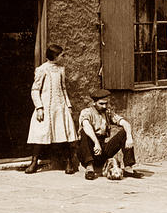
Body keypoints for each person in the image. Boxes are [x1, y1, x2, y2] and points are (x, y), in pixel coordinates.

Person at [25, 43, 79, 174]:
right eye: (61, 55)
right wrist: (39, 108)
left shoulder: (61, 69)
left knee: (64, 134)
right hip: (45, 107)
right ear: (54, 56)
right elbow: (35, 90)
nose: (63, 57)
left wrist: (68, 105)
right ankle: (34, 163)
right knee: (40, 134)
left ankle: (68, 163)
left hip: (60, 107)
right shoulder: (42, 69)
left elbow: (63, 88)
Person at [77, 88, 138, 180]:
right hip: (89, 148)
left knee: (125, 132)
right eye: (101, 104)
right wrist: (96, 143)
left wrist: (129, 137)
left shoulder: (108, 112)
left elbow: (125, 123)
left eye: (106, 103)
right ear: (94, 103)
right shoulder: (86, 112)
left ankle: (128, 167)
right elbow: (86, 127)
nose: (104, 106)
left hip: (102, 148)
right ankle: (89, 168)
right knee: (84, 133)